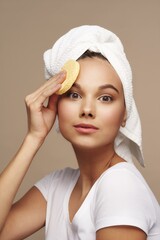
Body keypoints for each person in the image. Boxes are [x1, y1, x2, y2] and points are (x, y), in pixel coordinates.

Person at [0, 25, 160, 240]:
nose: (87, 110)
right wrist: (33, 137)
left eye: (105, 98)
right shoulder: (58, 185)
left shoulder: (120, 185)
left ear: (125, 114)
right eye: (74, 95)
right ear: (56, 103)